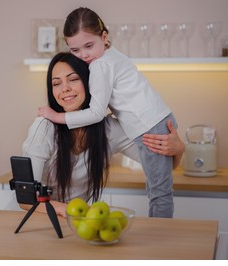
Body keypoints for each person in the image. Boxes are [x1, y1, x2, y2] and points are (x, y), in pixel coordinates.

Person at [38, 7, 179, 218]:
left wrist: (57, 116)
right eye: (75, 50)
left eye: (89, 46)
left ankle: (161, 232)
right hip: (157, 121)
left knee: (159, 193)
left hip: (150, 126)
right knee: (158, 188)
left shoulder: (100, 65)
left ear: (104, 37)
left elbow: (95, 113)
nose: (84, 55)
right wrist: (180, 148)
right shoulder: (113, 56)